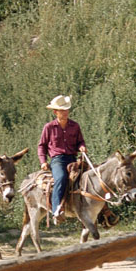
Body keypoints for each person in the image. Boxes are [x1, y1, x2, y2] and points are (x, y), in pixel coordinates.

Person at [38, 94, 86, 224]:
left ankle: (99, 210)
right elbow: (41, 146)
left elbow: (80, 141)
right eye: (62, 110)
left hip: (73, 158)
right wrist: (43, 162)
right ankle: (56, 210)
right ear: (55, 112)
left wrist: (82, 147)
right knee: (61, 178)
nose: (65, 112)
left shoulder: (75, 126)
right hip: (57, 159)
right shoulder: (49, 127)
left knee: (89, 176)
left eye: (66, 110)